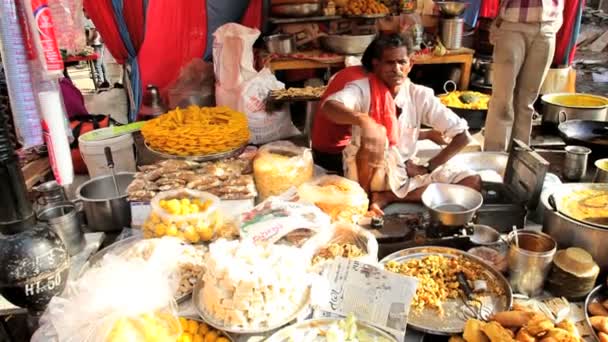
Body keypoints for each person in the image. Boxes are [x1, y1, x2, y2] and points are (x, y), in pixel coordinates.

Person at [311, 34, 481, 214]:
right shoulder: (361, 88)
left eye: (402, 62)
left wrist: (428, 167)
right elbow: (330, 106)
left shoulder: (419, 95)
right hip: (366, 176)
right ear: (376, 65)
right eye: (389, 63)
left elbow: (463, 136)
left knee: (472, 182)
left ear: (411, 65)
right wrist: (365, 121)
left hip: (404, 172)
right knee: (375, 139)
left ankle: (386, 197)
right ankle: (366, 198)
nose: (396, 69)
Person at [483, 0, 564, 152]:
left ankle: (519, 159)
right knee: (503, 100)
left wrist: (556, 22)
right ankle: (493, 158)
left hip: (547, 27)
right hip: (513, 25)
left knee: (526, 103)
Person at [84, 15, 110, 89]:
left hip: (96, 43)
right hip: (100, 43)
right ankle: (106, 80)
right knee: (102, 63)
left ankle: (100, 81)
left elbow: (94, 33)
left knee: (98, 64)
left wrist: (89, 41)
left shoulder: (89, 20)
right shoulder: (95, 18)